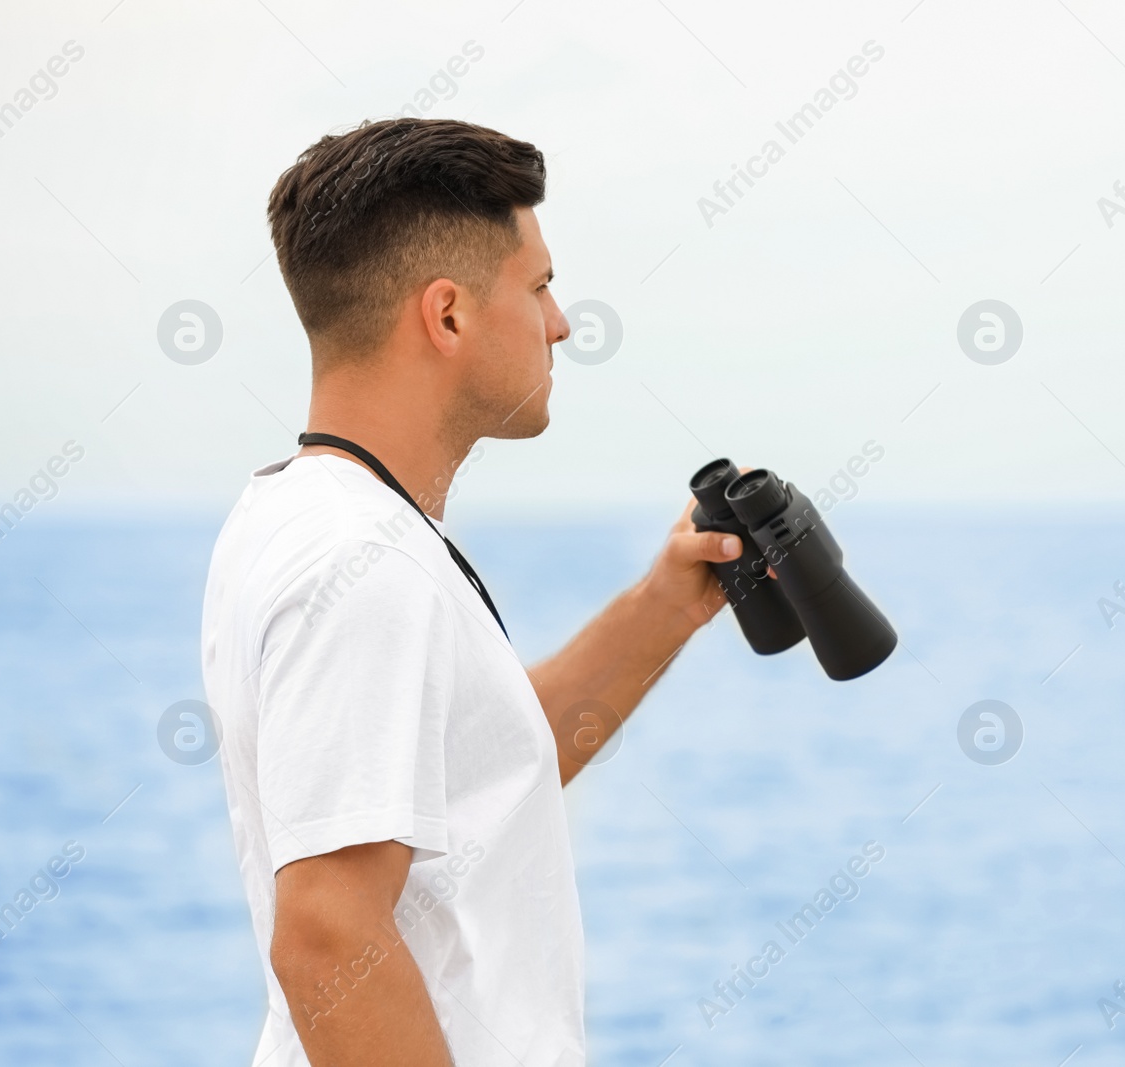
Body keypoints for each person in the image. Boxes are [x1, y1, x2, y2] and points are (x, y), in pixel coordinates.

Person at [200, 117, 747, 1067]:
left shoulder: (309, 516)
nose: (561, 321)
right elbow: (328, 931)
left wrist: (666, 606)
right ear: (447, 314)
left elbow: (465, 778)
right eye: (537, 286)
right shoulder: (358, 564)